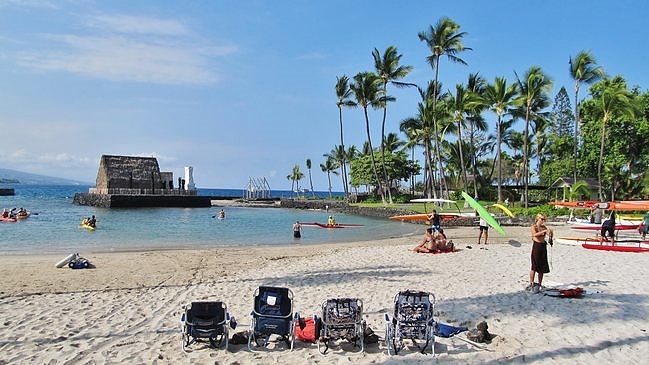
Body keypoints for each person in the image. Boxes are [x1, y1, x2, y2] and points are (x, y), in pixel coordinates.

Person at [528, 213, 553, 293]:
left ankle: (539, 284)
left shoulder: (544, 227)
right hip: (536, 246)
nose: (543, 221)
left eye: (544, 219)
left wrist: (550, 234)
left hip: (543, 246)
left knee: (542, 267)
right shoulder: (534, 227)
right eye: (542, 219)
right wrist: (544, 231)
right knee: (534, 266)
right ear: (538, 219)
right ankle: (531, 283)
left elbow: (548, 235)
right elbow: (534, 235)